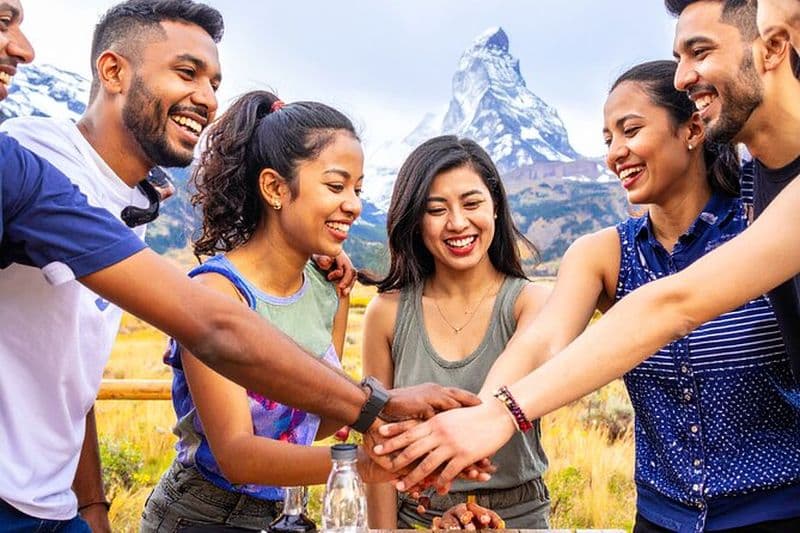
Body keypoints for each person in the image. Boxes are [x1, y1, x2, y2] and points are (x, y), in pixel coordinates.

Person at [0, 1, 481, 530]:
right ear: (113, 71)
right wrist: (374, 415)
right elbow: (213, 329)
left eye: (214, 81)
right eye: (187, 72)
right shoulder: (32, 162)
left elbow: (68, 371)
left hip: (50, 504)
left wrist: (89, 505)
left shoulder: (129, 204)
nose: (208, 99)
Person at [370, 0, 800, 503]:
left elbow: (669, 306)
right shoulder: (607, 253)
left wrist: (497, 414)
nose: (615, 151)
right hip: (663, 514)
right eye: (607, 137)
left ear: (692, 131)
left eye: (631, 130)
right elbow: (543, 342)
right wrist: (479, 418)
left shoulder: (760, 210)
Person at [139, 91, 390, 530]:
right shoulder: (216, 294)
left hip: (284, 514)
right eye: (336, 186)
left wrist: (388, 420)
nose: (353, 204)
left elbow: (318, 420)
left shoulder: (325, 289)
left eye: (358, 188)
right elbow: (237, 455)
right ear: (275, 187)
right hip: (201, 516)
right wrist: (362, 466)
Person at [361, 136, 551, 529]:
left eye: (472, 203)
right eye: (436, 209)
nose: (458, 223)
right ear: (415, 220)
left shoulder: (530, 303)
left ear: (495, 207)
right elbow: (377, 447)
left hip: (518, 518)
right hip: (417, 516)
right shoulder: (386, 313)